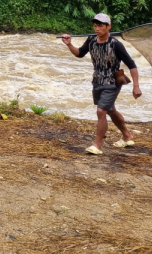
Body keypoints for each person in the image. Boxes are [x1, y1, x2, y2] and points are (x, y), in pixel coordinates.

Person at [61, 13, 142, 155]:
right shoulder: (91, 40)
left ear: (108, 26)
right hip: (97, 80)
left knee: (101, 111)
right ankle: (127, 135)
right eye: (95, 25)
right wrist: (69, 45)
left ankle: (97, 145)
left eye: (100, 25)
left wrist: (136, 86)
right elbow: (79, 53)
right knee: (110, 110)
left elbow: (132, 65)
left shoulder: (116, 44)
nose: (97, 28)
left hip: (113, 81)